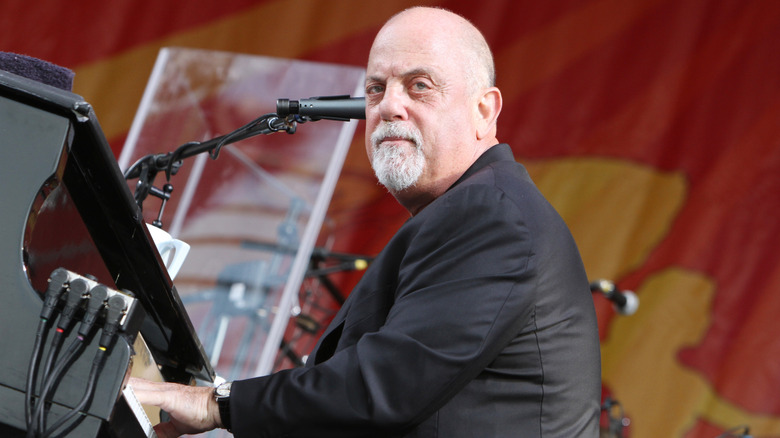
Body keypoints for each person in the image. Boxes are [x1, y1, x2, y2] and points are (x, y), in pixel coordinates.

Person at [131, 6, 602, 437]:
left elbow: (386, 385)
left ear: (484, 111)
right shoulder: (473, 209)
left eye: (420, 85)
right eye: (376, 88)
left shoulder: (491, 215)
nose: (388, 106)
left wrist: (217, 404)